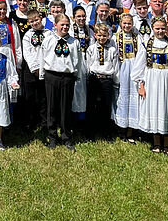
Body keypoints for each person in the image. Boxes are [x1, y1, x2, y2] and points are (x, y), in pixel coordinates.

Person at [131, 17, 168, 155]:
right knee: (155, 109)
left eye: (163, 28)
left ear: (166, 28)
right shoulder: (146, 44)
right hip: (152, 79)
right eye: (157, 28)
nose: (160, 31)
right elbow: (139, 66)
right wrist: (141, 85)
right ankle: (156, 143)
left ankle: (167, 145)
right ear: (153, 28)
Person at [40, 14, 82, 151]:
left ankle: (66, 136)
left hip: (67, 76)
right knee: (51, 107)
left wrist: (77, 74)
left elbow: (78, 60)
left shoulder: (74, 42)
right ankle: (52, 136)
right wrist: (42, 74)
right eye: (62, 25)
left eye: (67, 25)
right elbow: (43, 57)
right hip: (51, 75)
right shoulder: (49, 40)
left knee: (65, 108)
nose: (64, 27)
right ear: (55, 25)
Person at [85, 23, 118, 140]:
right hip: (94, 79)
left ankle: (106, 132)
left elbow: (115, 66)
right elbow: (88, 65)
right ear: (95, 35)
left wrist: (116, 81)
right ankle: (91, 132)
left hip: (107, 80)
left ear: (108, 35)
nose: (101, 38)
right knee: (92, 105)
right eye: (99, 36)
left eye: (104, 36)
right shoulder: (91, 49)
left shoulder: (113, 50)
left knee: (105, 106)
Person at [113, 14, 141, 142]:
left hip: (133, 69)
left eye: (129, 23)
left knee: (133, 100)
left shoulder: (137, 37)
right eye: (124, 23)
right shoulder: (116, 37)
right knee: (121, 99)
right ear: (120, 24)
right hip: (121, 68)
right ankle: (120, 129)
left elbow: (141, 54)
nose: (127, 26)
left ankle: (132, 130)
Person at [21, 10, 47, 132]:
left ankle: (44, 123)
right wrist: (34, 68)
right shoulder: (27, 35)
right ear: (28, 22)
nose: (35, 23)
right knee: (30, 97)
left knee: (43, 97)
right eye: (32, 21)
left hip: (45, 68)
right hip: (31, 70)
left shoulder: (48, 33)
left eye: (36, 20)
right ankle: (29, 123)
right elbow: (27, 53)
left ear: (40, 18)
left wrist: (43, 67)